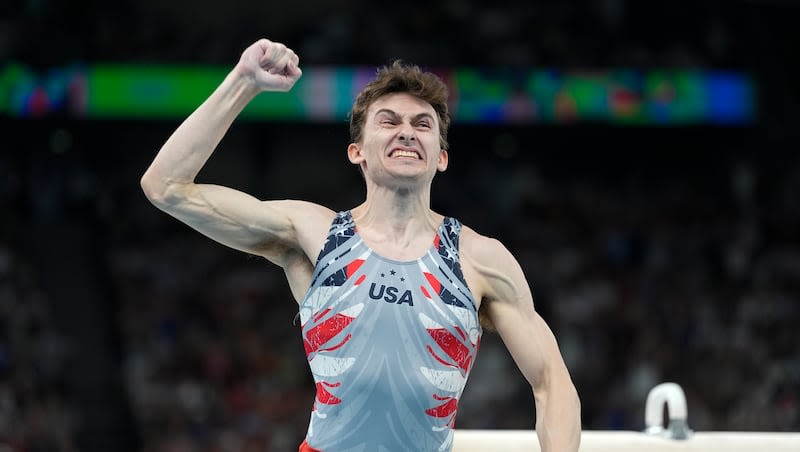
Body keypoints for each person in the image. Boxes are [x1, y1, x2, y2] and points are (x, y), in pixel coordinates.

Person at [141, 38, 581, 452]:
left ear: (441, 157)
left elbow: (552, 382)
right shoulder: (312, 234)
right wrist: (243, 82)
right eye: (388, 121)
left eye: (422, 124)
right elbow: (166, 187)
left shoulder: (482, 258)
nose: (406, 132)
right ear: (357, 152)